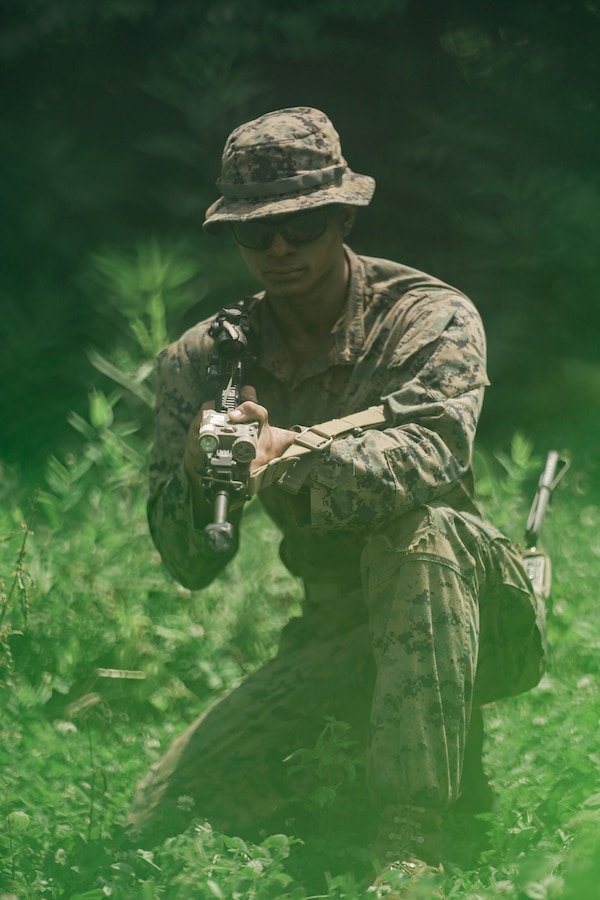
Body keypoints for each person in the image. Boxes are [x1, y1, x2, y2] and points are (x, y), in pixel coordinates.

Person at [125, 107, 546, 879]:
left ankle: (412, 845)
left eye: (305, 223)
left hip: (469, 615)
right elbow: (191, 565)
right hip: (340, 630)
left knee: (421, 535)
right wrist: (197, 471)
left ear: (344, 215)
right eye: (257, 232)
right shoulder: (201, 362)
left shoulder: (427, 317)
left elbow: (430, 451)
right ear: (231, 236)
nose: (281, 247)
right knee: (160, 822)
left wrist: (286, 451)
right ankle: (369, 779)